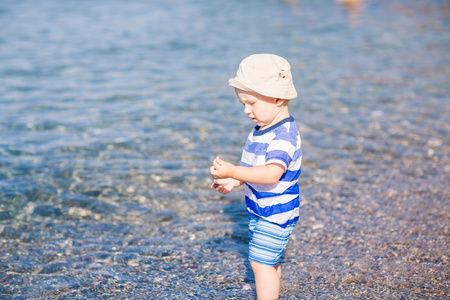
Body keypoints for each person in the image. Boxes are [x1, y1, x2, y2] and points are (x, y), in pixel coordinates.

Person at [210, 54, 302, 300]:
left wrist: (233, 171)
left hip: (275, 212)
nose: (246, 110)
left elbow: (272, 173)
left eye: (251, 103)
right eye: (242, 103)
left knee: (259, 263)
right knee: (268, 261)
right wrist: (234, 180)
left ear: (278, 98)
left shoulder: (283, 136)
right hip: (263, 209)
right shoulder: (263, 128)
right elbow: (256, 167)